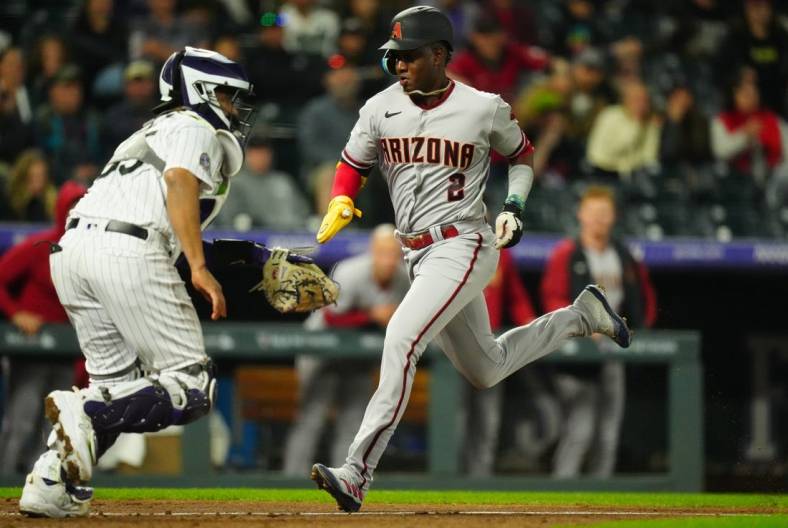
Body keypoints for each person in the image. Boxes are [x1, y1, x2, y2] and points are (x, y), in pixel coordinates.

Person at [309, 6, 632, 513]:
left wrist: (514, 206)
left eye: (409, 56)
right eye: (394, 57)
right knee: (486, 367)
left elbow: (521, 156)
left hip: (463, 243)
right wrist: (341, 196)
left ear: (440, 55)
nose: (399, 66)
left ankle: (356, 471)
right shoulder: (378, 107)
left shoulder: (483, 107)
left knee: (401, 337)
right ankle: (580, 317)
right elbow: (353, 164)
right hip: (415, 250)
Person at [18, 46, 255, 518]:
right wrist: (199, 266)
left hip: (75, 251)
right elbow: (181, 182)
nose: (234, 107)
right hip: (127, 249)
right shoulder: (193, 124)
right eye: (228, 96)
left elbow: (171, 208)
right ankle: (81, 413)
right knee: (190, 387)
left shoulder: (148, 131)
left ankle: (48, 481)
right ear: (201, 91)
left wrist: (253, 257)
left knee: (116, 387)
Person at [541, 186, 657, 478]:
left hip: (613, 352)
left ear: (614, 217)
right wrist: (582, 326)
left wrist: (638, 328)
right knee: (580, 429)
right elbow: (553, 298)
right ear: (581, 215)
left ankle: (599, 502)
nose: (598, 220)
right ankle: (562, 497)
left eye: (604, 214)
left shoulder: (623, 253)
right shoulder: (566, 253)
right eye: (593, 214)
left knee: (608, 432)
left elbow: (644, 297)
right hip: (578, 354)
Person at [283, 224, 409, 476]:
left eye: (393, 253)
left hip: (359, 357)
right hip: (321, 350)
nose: (387, 260)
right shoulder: (350, 271)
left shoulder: (404, 279)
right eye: (382, 252)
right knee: (312, 418)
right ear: (372, 250)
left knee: (353, 424)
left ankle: (342, 480)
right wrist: (372, 315)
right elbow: (332, 318)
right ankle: (292, 480)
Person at [0, 181, 86, 475]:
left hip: (66, 351)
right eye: (72, 204)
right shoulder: (40, 245)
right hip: (31, 348)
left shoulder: (86, 255)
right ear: (61, 209)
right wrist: (16, 314)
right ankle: (5, 480)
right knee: (22, 420)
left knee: (54, 427)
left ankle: (40, 485)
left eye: (82, 204)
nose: (76, 210)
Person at [463, 248, 535, 476]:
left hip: (488, 346)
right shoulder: (445, 248)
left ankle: (479, 481)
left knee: (488, 421)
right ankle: (449, 480)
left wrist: (529, 322)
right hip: (454, 346)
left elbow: (515, 297)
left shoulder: (499, 253)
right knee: (456, 420)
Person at [215, 134, 311, 230]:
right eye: (256, 153)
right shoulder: (236, 183)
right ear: (246, 155)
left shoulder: (283, 180)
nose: (261, 157)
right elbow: (229, 221)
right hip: (255, 238)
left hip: (292, 236)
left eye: (265, 153)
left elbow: (304, 212)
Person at [33, 64, 102, 184]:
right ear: (52, 92)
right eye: (67, 87)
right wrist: (70, 173)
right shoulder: (42, 121)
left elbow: (107, 153)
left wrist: (96, 170)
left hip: (94, 183)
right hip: (55, 185)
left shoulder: (94, 119)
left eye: (77, 87)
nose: (75, 92)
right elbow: (39, 160)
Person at [586, 79, 661, 179]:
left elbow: (650, 155)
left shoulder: (649, 121)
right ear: (626, 99)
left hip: (632, 173)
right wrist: (636, 124)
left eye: (645, 100)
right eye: (637, 99)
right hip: (603, 170)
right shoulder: (610, 116)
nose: (641, 105)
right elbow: (614, 150)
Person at [102, 61, 157, 153]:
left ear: (153, 85)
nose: (140, 87)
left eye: (145, 82)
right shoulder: (114, 114)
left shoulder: (164, 111)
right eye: (136, 82)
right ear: (126, 86)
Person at [6, 149, 57, 222]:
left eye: (41, 176)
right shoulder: (10, 200)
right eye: (34, 177)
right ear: (23, 177)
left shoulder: (52, 200)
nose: (38, 183)